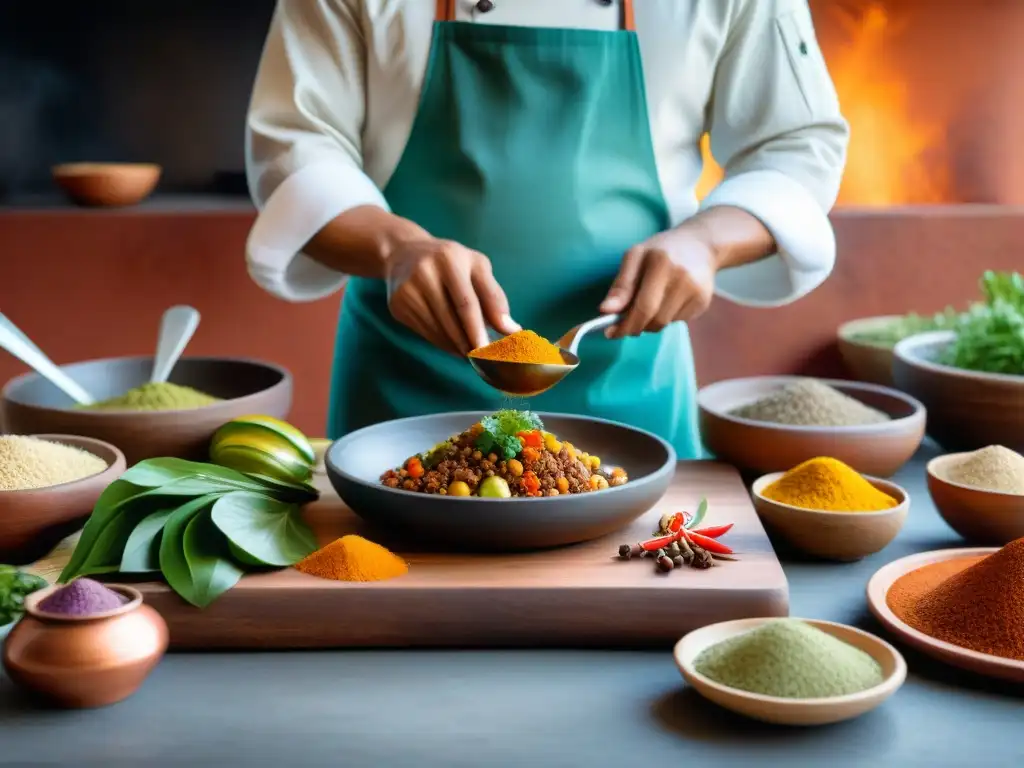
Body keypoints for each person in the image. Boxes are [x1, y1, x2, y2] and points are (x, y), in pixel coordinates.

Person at [244, 0, 848, 457]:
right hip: (402, 394)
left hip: (629, 391)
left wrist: (706, 241)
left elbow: (796, 143)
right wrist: (396, 247)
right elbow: (297, 144)